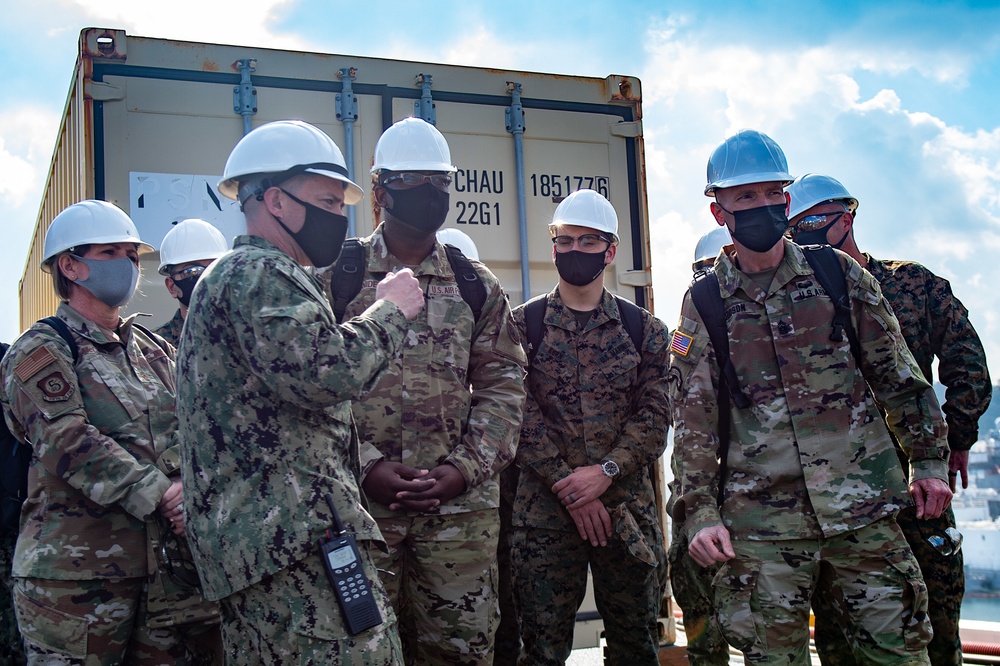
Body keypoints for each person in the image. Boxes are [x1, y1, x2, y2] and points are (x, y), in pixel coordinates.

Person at [668, 129, 952, 665]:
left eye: (772, 192)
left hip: (863, 508)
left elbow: (898, 375)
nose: (763, 205)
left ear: (787, 198)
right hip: (764, 527)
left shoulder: (835, 275)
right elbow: (694, 422)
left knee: (899, 655)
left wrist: (930, 459)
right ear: (718, 212)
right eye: (745, 196)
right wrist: (701, 513)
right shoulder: (706, 301)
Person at [175, 119, 424, 665]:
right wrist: (391, 312)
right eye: (327, 201)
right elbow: (323, 373)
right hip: (292, 545)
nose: (340, 216)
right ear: (277, 202)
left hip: (277, 546)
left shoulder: (253, 275)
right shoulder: (257, 273)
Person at [326, 117, 526, 665]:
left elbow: (505, 390)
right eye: (416, 182)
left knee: (460, 653)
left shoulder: (474, 283)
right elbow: (311, 392)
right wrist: (365, 466)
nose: (431, 194)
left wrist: (461, 469)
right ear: (382, 190)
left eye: (441, 183)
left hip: (458, 515)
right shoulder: (339, 277)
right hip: (360, 509)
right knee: (360, 652)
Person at [0, 200, 219, 664]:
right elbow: (67, 441)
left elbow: (199, 428)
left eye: (132, 254)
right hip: (77, 582)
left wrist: (192, 490)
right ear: (70, 266)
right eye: (111, 252)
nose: (127, 264)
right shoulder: (43, 348)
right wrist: (163, 493)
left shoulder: (155, 349)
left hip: (166, 578)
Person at [788, 173, 991, 666]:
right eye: (795, 228)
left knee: (936, 621)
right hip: (841, 496)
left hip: (916, 487)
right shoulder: (796, 301)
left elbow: (968, 365)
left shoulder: (913, 284)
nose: (806, 233)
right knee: (840, 632)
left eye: (816, 221)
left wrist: (951, 444)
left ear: (848, 217)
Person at [509, 189, 669, 665]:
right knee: (540, 649)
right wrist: (569, 485)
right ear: (553, 246)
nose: (575, 252)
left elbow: (656, 415)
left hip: (627, 514)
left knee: (635, 645)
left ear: (611, 251)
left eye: (588, 242)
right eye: (566, 241)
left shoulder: (646, 332)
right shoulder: (523, 326)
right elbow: (516, 414)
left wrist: (606, 471)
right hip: (544, 517)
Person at [664, 228, 737, 666]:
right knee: (699, 609)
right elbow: (675, 385)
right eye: (703, 271)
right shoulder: (685, 329)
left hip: (753, 491)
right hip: (695, 491)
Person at [154, 218, 230, 346]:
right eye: (193, 271)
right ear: (172, 287)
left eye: (216, 267)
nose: (207, 276)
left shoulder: (248, 337)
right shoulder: (154, 347)